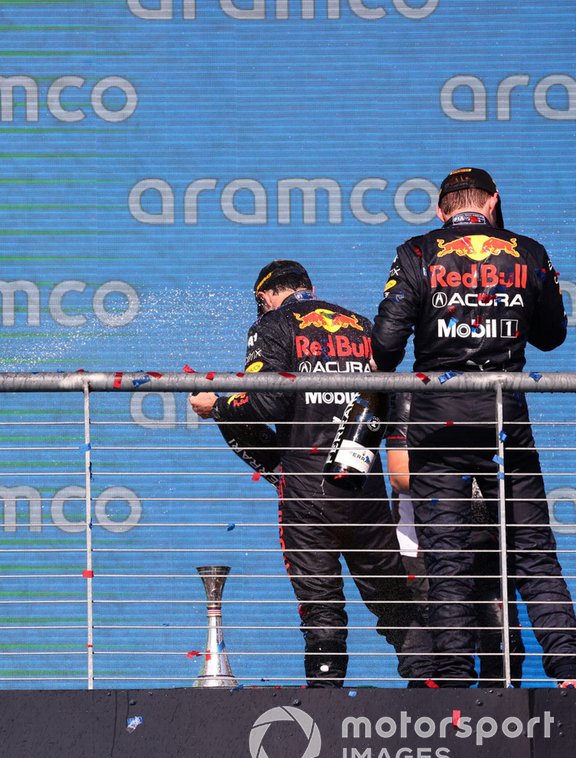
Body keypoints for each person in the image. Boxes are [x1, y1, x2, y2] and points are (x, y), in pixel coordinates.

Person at [372, 167, 576, 688]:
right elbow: (553, 336)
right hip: (506, 414)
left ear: (441, 212)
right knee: (532, 548)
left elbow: (386, 346)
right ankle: (570, 674)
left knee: (447, 557)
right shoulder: (527, 251)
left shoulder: (418, 251)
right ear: (493, 202)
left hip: (438, 419)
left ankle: (456, 687)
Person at [191, 259, 428, 687]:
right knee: (394, 601)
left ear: (264, 297)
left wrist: (218, 407)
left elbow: (265, 403)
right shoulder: (362, 325)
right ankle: (432, 694)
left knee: (321, 607)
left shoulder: (273, 324)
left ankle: (324, 706)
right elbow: (389, 406)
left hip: (307, 496)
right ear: (309, 286)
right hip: (364, 491)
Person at [384, 393, 524, 686]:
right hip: (424, 549)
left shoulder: (493, 395)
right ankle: (434, 726)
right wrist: (458, 474)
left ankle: (498, 728)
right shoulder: (412, 394)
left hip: (484, 544)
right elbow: (399, 475)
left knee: (504, 650)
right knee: (432, 660)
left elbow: (514, 473)